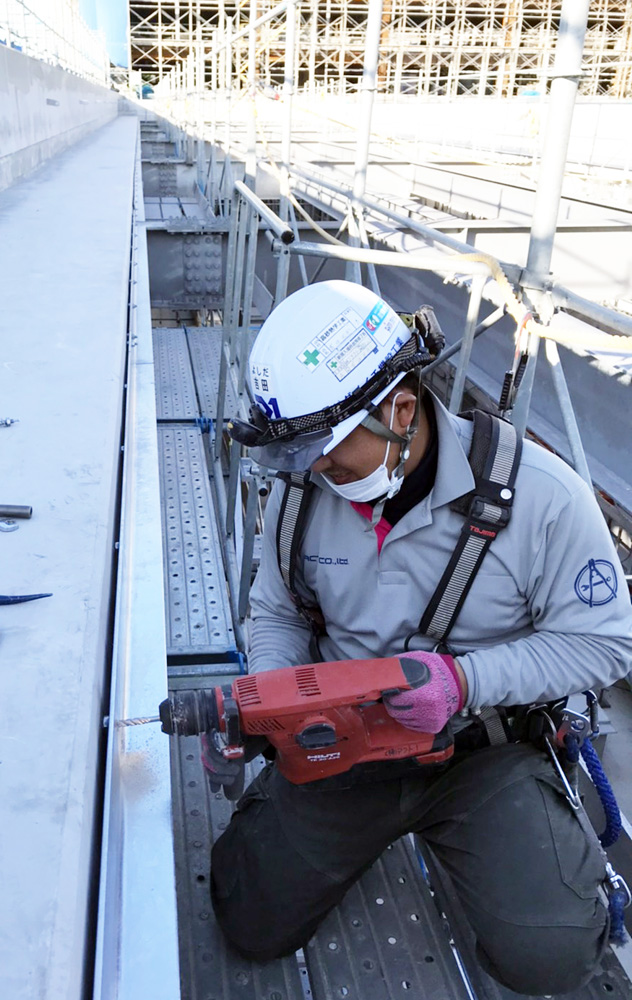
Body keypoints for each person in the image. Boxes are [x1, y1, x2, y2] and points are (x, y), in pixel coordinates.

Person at [206, 280, 632, 996]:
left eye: (327, 450)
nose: (314, 469)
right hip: (342, 741)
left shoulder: (545, 499)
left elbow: (605, 644)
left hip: (482, 751)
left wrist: (464, 683)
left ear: (400, 410)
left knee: (551, 955)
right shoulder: (305, 488)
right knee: (248, 916)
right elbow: (278, 611)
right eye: (301, 454)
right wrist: (272, 702)